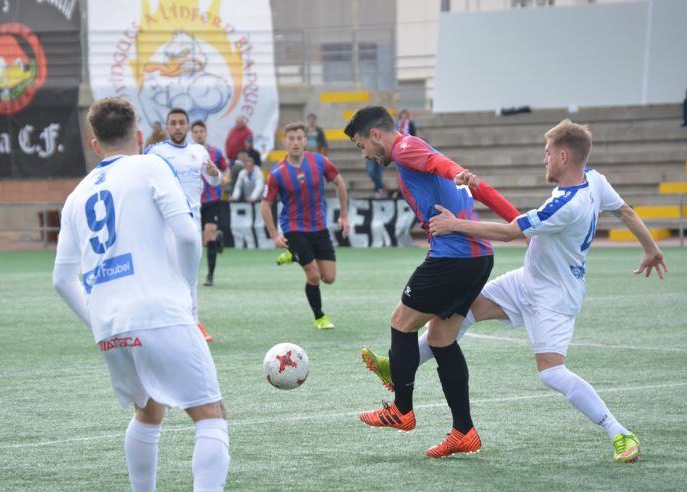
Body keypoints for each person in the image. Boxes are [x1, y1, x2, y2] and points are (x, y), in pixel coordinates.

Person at [361, 119, 667, 463]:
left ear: (563, 157)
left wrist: (454, 224)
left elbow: (509, 232)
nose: (544, 158)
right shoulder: (594, 180)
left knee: (551, 372)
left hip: (554, 296)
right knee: (450, 323)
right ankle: (413, 381)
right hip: (527, 280)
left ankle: (619, 432)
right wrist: (651, 248)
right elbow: (624, 210)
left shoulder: (565, 206)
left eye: (548, 152)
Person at [53, 97, 230, 492]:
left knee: (148, 413)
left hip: (110, 325)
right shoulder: (151, 166)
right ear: (137, 135)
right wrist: (186, 294)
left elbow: (61, 279)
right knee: (210, 414)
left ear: (94, 143)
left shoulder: (76, 196)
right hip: (159, 311)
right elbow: (187, 236)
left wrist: (98, 319)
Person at [343, 105, 520, 456]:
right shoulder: (415, 149)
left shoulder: (404, 147)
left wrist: (457, 172)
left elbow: (444, 166)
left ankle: (402, 410)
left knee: (401, 322)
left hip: (454, 256)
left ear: (375, 134)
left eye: (362, 145)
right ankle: (464, 431)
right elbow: (478, 186)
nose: (364, 154)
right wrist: (519, 222)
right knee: (441, 338)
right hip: (476, 258)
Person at [261, 122, 350, 329]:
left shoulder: (319, 161)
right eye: (291, 139)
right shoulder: (277, 173)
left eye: (299, 138)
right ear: (285, 142)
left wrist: (344, 216)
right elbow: (265, 206)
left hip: (319, 227)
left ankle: (293, 254)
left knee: (329, 278)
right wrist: (274, 235)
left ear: (305, 141)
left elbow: (340, 183)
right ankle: (320, 317)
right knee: (314, 275)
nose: (295, 142)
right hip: (294, 228)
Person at [145, 108, 222, 343]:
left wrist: (214, 174)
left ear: (188, 127)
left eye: (181, 123)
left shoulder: (199, 151)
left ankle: (192, 322)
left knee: (189, 276)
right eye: (173, 123)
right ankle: (167, 323)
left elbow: (214, 181)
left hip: (193, 222)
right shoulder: (155, 152)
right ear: (167, 127)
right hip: (165, 223)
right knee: (166, 274)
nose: (178, 127)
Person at [191, 120, 229, 287]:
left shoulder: (215, 152)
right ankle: (218, 238)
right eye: (196, 132)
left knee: (209, 235)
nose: (199, 134)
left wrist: (225, 178)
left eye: (201, 131)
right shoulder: (188, 153)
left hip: (212, 199)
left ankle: (210, 275)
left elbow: (225, 168)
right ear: (192, 134)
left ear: (206, 133)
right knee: (201, 241)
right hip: (194, 201)